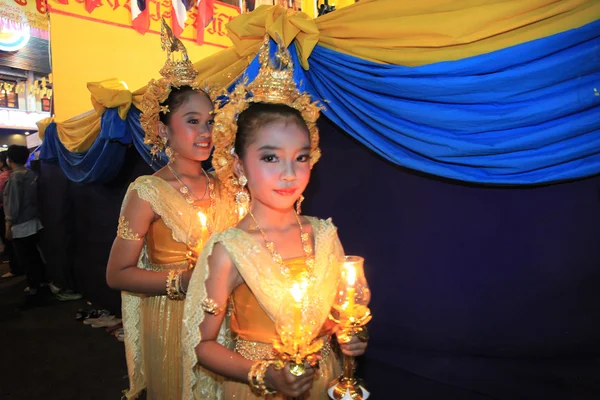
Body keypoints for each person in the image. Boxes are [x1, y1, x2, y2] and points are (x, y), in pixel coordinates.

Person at [182, 38, 368, 399]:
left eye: (300, 158)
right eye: (270, 158)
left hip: (324, 380)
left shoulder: (323, 234)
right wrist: (265, 375)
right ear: (239, 165)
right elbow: (202, 344)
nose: (289, 174)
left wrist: (348, 332)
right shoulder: (230, 248)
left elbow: (331, 314)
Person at [105, 21, 237, 400]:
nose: (205, 132)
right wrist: (180, 281)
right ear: (164, 130)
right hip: (171, 317)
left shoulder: (225, 186)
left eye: (210, 122)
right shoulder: (147, 192)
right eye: (192, 121)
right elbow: (117, 274)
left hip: (221, 319)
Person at [3, 145, 45, 298]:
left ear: (10, 159)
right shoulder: (31, 174)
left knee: (26, 259)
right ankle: (40, 283)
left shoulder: (15, 178)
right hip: (34, 221)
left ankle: (34, 289)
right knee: (34, 256)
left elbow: (13, 204)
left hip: (21, 225)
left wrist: (8, 225)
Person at [0, 151, 22, 278]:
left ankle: (16, 268)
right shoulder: (18, 175)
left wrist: (8, 223)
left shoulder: (5, 177)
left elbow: (8, 201)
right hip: (21, 216)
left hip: (8, 214)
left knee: (11, 241)